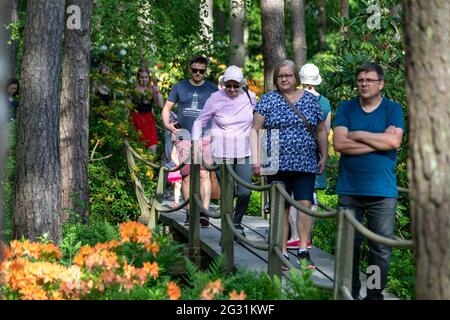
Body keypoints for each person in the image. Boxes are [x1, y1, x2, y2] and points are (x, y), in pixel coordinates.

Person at [333, 62, 404, 300]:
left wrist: (359, 134)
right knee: (348, 247)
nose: (364, 84)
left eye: (369, 80)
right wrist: (379, 141)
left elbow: (394, 143)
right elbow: (339, 144)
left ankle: (373, 294)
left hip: (382, 192)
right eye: (360, 80)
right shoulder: (346, 108)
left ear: (380, 84)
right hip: (350, 189)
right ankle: (349, 292)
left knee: (379, 249)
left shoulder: (393, 110)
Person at [251, 60, 328, 269]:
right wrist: (256, 159)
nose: (284, 79)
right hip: (276, 162)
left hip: (305, 162)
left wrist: (324, 155)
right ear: (276, 79)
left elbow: (321, 130)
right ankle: (282, 251)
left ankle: (303, 250)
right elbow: (255, 130)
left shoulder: (311, 101)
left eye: (288, 75)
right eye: (280, 76)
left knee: (305, 205)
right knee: (280, 208)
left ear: (296, 78)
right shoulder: (267, 100)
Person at [193, 65, 256, 236]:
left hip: (244, 151)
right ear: (224, 84)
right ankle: (227, 232)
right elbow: (199, 121)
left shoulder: (251, 97)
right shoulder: (215, 98)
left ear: (242, 84)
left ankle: (237, 222)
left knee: (244, 192)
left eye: (236, 85)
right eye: (229, 85)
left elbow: (257, 122)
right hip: (221, 153)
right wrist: (196, 143)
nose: (232, 89)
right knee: (228, 192)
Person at [162, 55, 218, 227]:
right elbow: (166, 108)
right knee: (186, 176)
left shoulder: (212, 89)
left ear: (205, 71)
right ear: (189, 69)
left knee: (203, 173)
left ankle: (205, 213)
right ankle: (189, 211)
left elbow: (220, 111)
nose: (198, 73)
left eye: (201, 71)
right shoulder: (180, 86)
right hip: (184, 135)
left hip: (205, 135)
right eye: (195, 70)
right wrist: (168, 125)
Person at [287, 63, 332, 250]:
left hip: (294, 153)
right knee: (310, 197)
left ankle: (295, 236)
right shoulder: (324, 102)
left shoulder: (293, 97)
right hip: (315, 153)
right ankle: (306, 237)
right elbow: (325, 131)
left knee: (291, 195)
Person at [130, 66, 164, 153]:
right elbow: (128, 107)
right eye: (142, 77)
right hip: (136, 120)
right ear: (138, 78)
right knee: (138, 148)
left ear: (149, 78)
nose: (144, 79)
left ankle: (150, 166)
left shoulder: (152, 89)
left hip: (149, 121)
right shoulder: (133, 90)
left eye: (146, 77)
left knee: (152, 148)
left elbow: (160, 105)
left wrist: (158, 91)